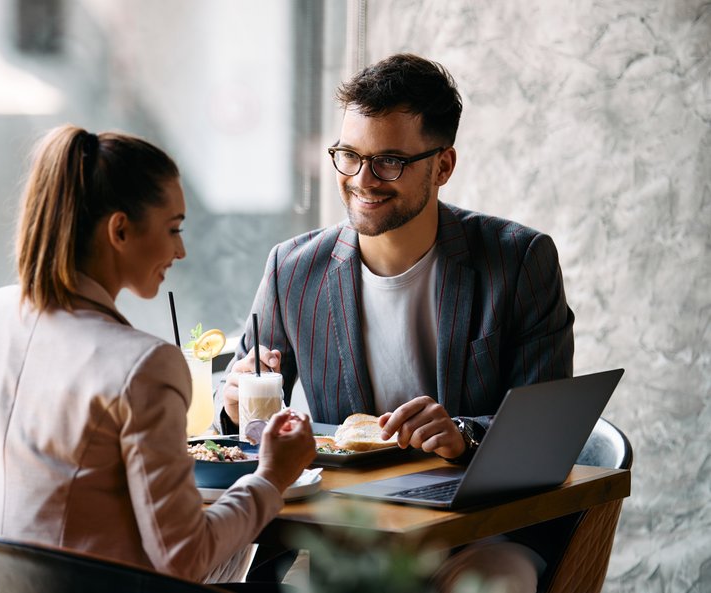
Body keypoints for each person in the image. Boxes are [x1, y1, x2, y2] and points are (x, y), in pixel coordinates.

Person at [214, 54, 575, 592]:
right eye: (348, 156)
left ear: (443, 166)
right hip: (349, 532)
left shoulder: (519, 261)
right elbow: (240, 420)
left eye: (388, 162)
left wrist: (463, 435)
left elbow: (547, 431)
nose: (363, 180)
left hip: (480, 533)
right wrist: (234, 402)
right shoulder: (292, 270)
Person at [0, 124, 316, 585]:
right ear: (119, 230)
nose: (180, 251)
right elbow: (185, 556)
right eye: (173, 229)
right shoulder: (142, 364)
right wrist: (271, 477)